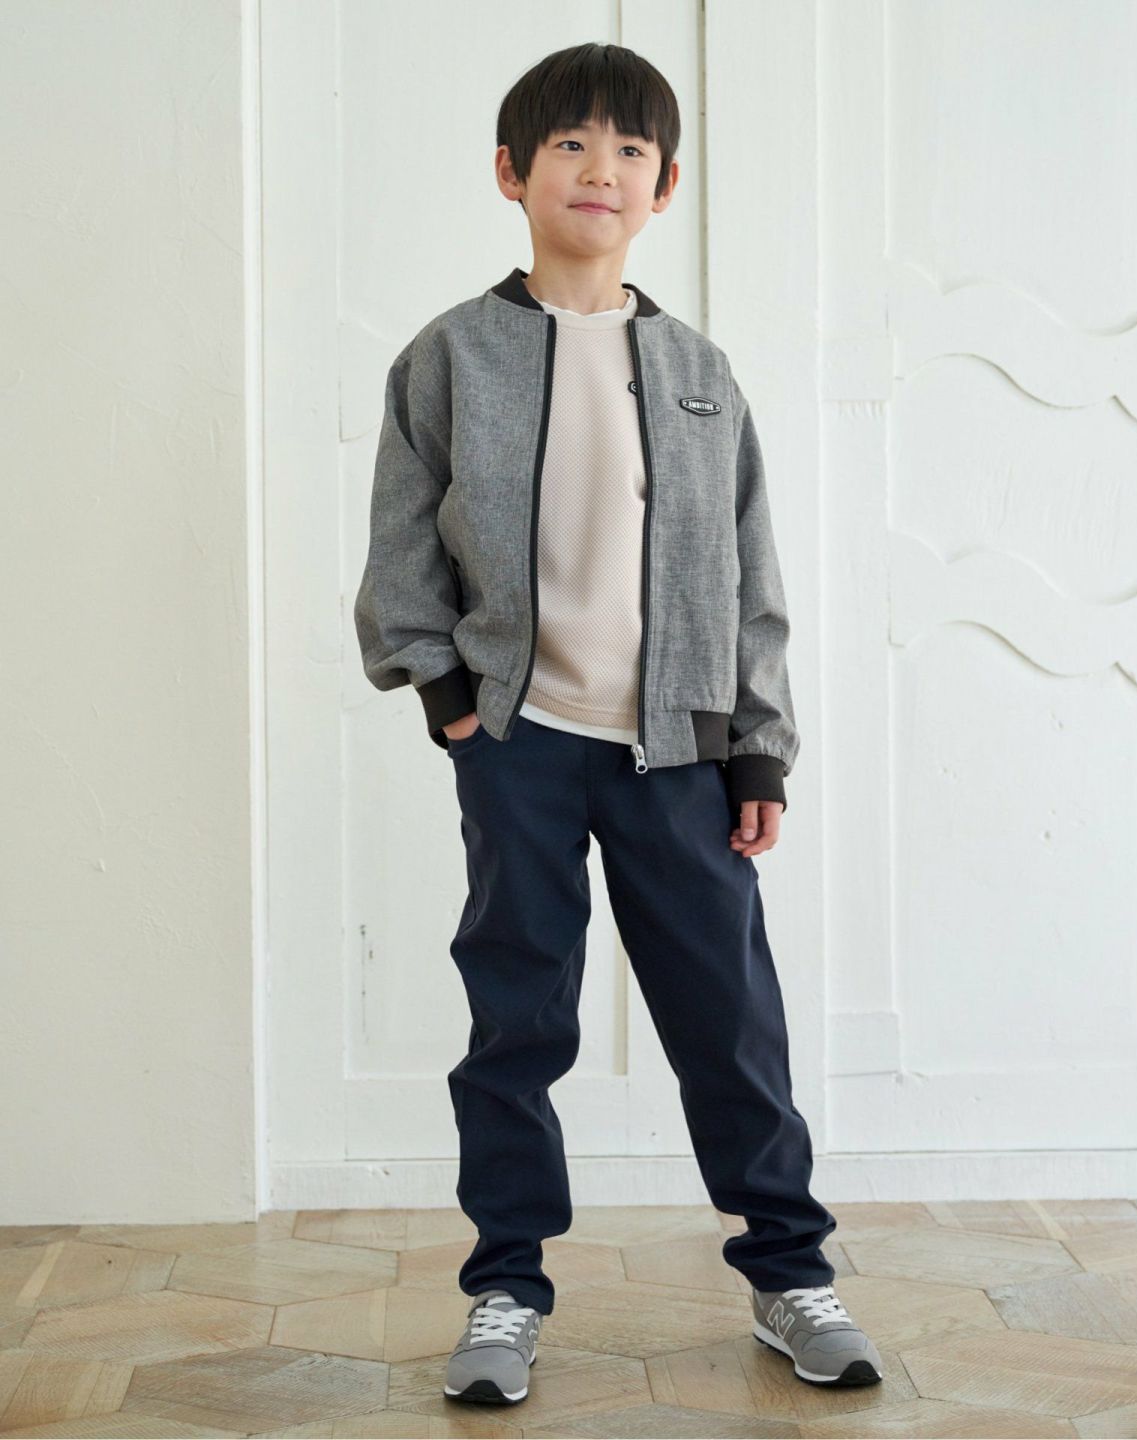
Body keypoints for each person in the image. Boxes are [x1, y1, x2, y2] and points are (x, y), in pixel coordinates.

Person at [355, 40, 884, 1406]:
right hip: (520, 746)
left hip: (681, 752)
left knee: (730, 1019)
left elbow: (750, 573)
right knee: (515, 1021)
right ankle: (505, 1288)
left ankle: (788, 1269)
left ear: (666, 187)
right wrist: (451, 701)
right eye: (571, 145)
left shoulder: (700, 370)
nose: (601, 170)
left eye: (630, 150)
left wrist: (758, 744)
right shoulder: (449, 357)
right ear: (511, 172)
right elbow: (403, 546)